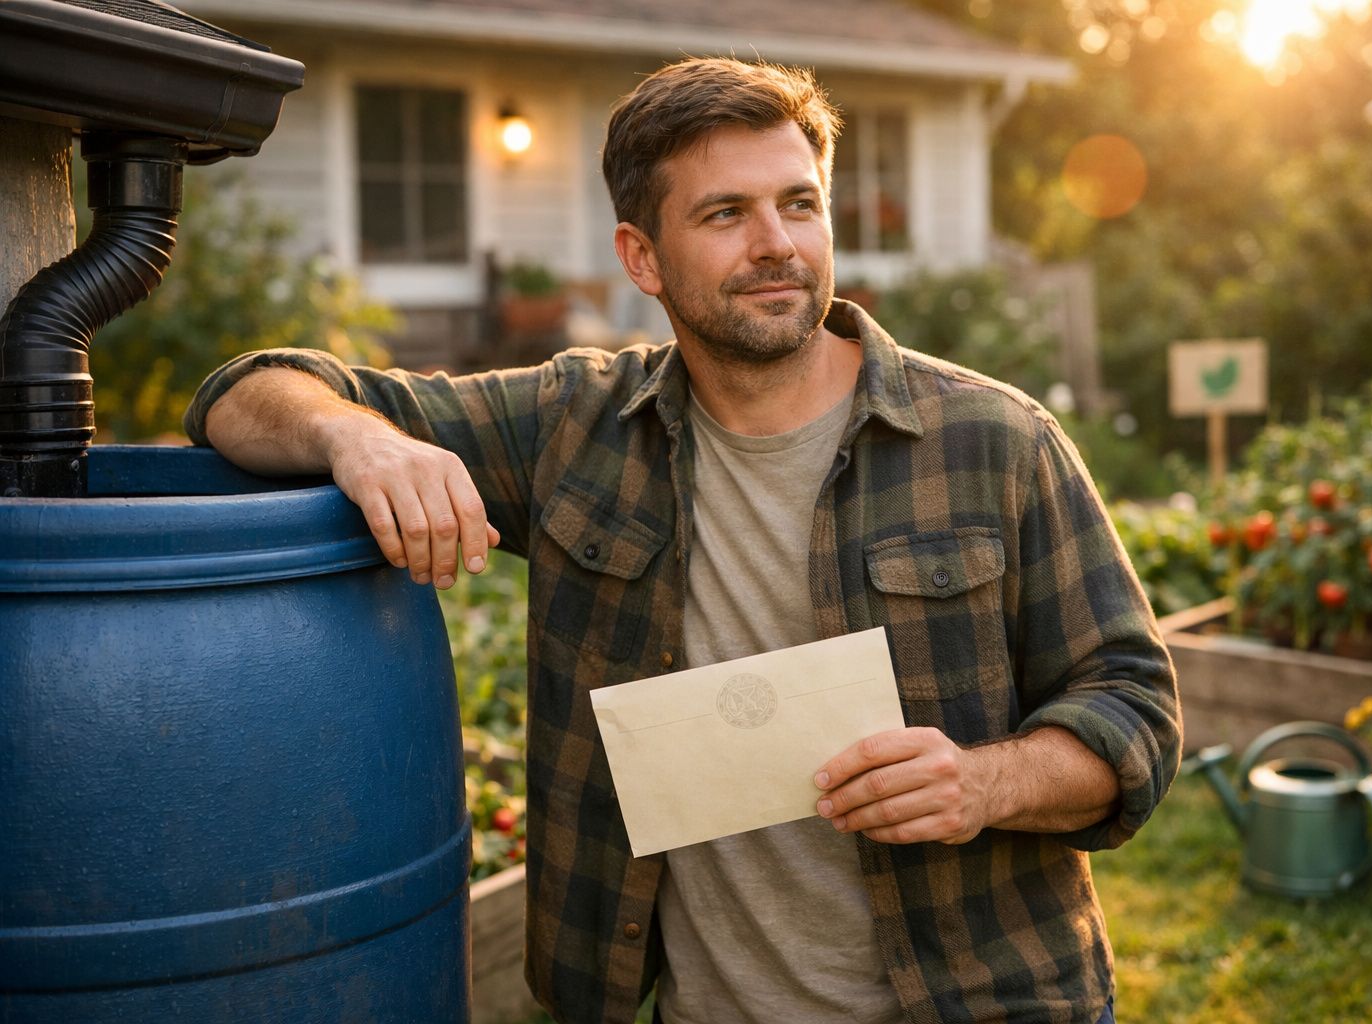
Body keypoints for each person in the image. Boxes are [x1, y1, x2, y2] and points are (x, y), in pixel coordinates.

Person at [185, 58, 1179, 1024]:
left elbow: (1133, 709)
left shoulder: (995, 441)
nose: (776, 243)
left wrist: (980, 781)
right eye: (724, 214)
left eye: (798, 203)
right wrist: (355, 435)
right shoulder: (570, 428)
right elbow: (243, 392)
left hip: (981, 999)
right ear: (642, 256)